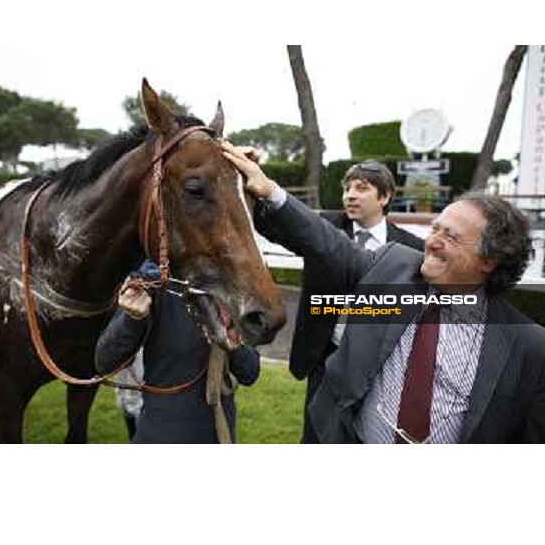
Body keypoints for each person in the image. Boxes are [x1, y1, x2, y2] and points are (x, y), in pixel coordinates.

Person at [222, 141, 545, 443]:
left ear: (489, 260)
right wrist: (269, 191)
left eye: (452, 237)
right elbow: (327, 244)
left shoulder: (530, 348)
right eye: (435, 229)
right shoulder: (394, 269)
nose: (432, 241)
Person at [291, 161, 424, 443]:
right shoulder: (323, 227)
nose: (350, 195)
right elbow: (283, 221)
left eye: (361, 189)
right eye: (347, 188)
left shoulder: (411, 249)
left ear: (385, 196)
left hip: (379, 362)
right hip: (325, 356)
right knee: (316, 437)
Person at [95, 260, 260, 444]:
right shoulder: (155, 283)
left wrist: (232, 340)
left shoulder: (231, 286)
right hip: (158, 436)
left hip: (218, 434)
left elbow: (250, 372)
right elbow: (105, 362)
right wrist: (131, 319)